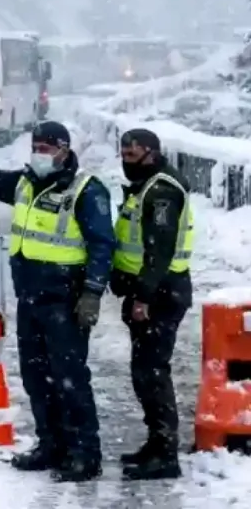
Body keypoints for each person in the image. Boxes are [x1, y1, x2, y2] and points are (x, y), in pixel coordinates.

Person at [0, 111, 117, 482]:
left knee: (69, 377)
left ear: (63, 151)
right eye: (35, 147)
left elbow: (103, 245)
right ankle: (51, 445)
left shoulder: (86, 190)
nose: (39, 153)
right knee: (36, 376)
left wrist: (92, 293)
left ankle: (84, 453)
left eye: (46, 148)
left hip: (66, 300)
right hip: (30, 298)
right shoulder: (26, 183)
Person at [111, 128, 193, 481]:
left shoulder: (160, 191)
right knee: (144, 371)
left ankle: (166, 453)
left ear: (151, 153)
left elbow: (159, 251)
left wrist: (143, 296)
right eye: (123, 155)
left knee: (153, 372)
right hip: (151, 292)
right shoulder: (146, 185)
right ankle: (156, 444)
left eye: (132, 155)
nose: (126, 161)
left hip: (161, 294)